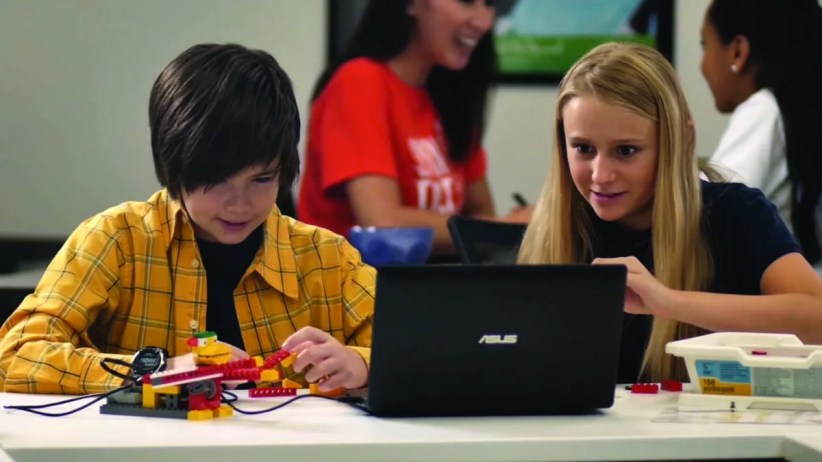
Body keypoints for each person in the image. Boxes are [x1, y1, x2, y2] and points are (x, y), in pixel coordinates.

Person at [0, 44, 375, 395]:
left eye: (262, 179)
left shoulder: (327, 257)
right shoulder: (117, 239)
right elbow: (15, 355)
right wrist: (157, 371)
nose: (240, 204)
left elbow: (424, 352)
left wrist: (361, 364)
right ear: (174, 167)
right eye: (216, 181)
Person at [518, 42, 822, 383]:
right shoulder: (557, 228)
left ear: (678, 140)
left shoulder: (735, 214)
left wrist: (667, 302)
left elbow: (816, 319)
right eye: (583, 148)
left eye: (626, 151)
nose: (600, 175)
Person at [298, 0, 528, 257]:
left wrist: (497, 227)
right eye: (466, 1)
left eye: (489, 4)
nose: (484, 21)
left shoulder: (449, 94)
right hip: (354, 288)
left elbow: (481, 213)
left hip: (431, 288)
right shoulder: (359, 82)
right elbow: (383, 223)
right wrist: (510, 226)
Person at [700, 0, 822, 264]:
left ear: (738, 53)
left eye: (704, 45)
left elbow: (704, 214)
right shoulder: (802, 113)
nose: (703, 65)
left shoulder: (764, 110)